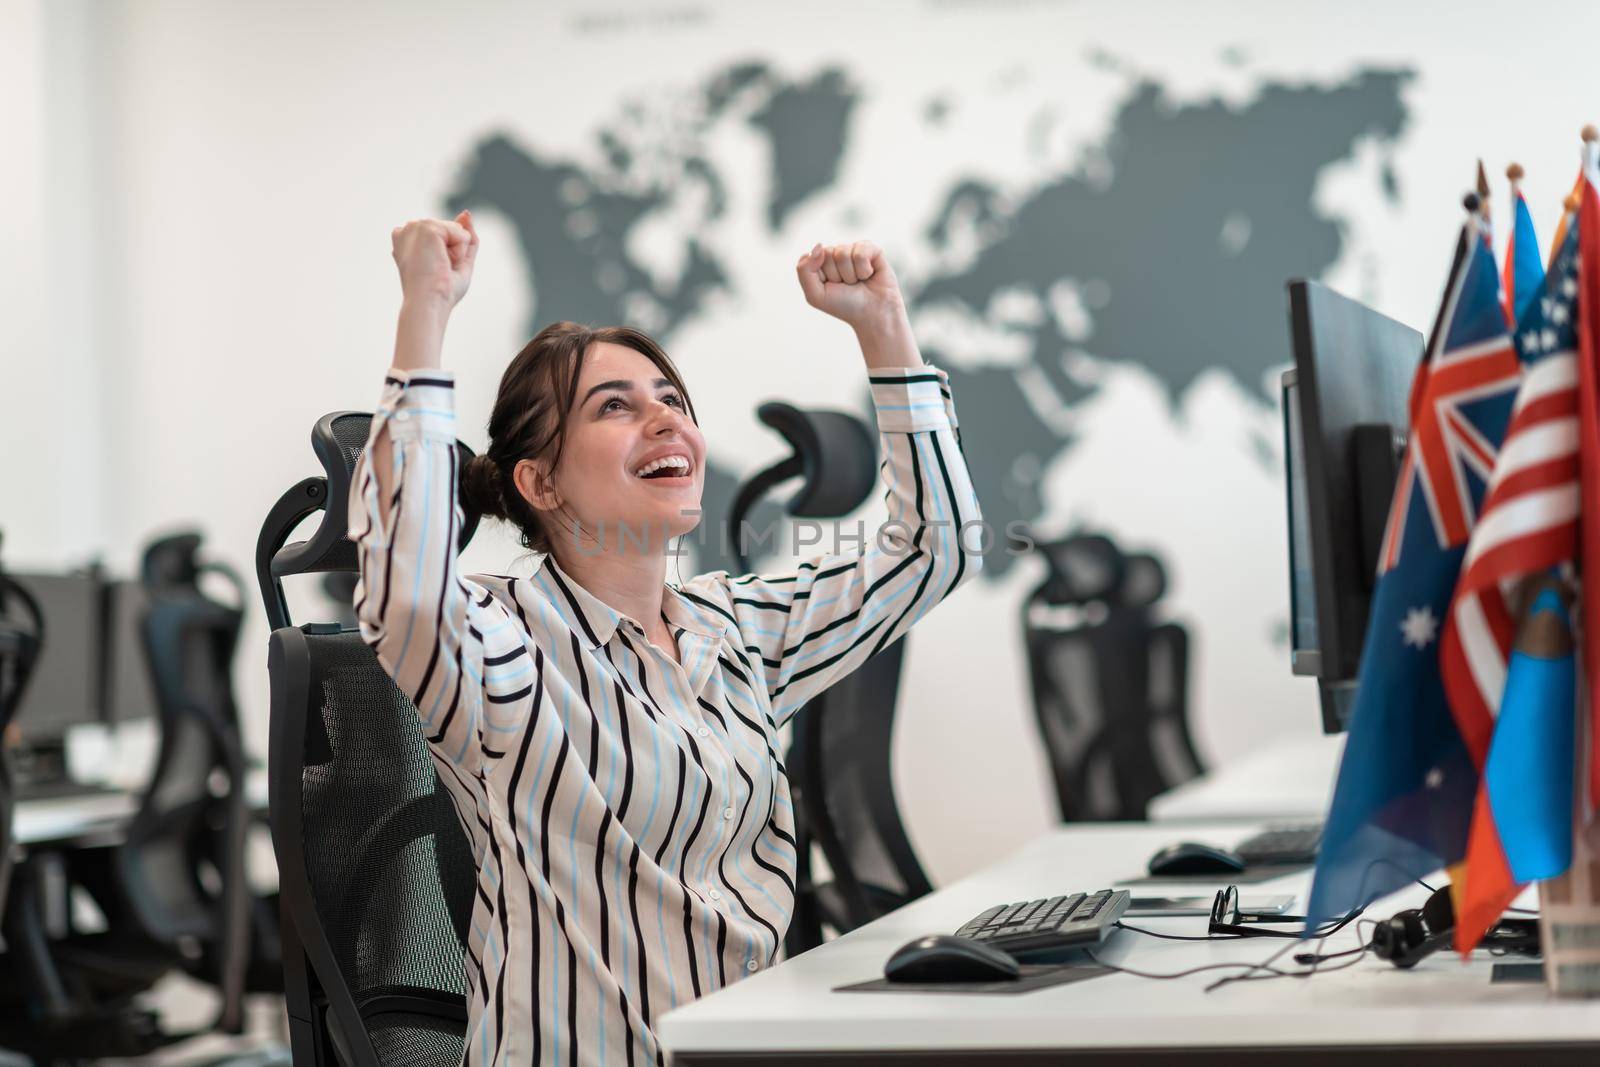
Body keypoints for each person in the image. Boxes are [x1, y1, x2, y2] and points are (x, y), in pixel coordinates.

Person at [351, 209, 982, 1066]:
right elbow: (407, 588)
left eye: (673, 401)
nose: (665, 421)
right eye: (616, 406)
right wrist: (425, 307)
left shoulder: (731, 631)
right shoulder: (504, 650)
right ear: (539, 480)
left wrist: (885, 328)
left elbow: (931, 550)